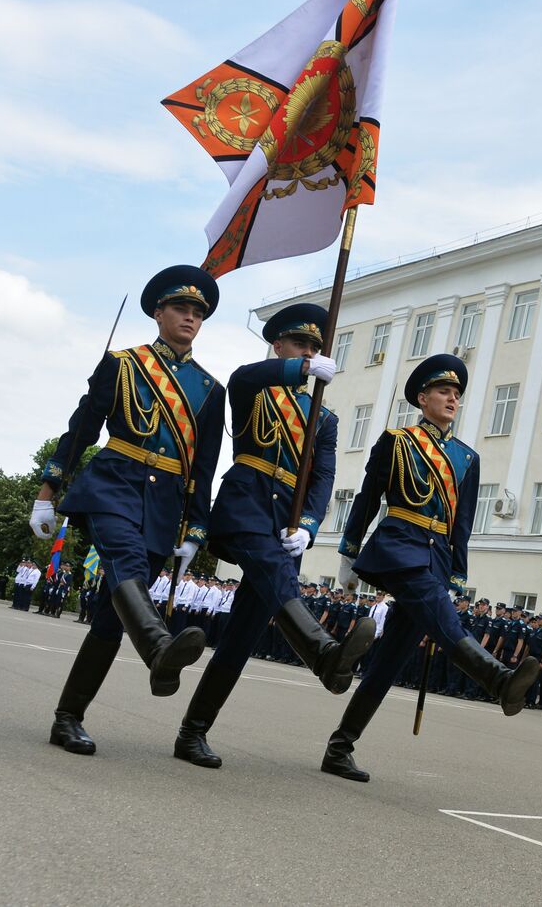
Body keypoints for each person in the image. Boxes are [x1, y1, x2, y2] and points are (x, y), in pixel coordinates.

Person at [171, 303, 375, 768]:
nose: (308, 353)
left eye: (314, 348)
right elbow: (243, 377)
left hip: (286, 524)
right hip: (246, 506)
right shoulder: (254, 390)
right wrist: (299, 368)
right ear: (278, 346)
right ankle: (323, 653)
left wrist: (308, 526)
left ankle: (193, 732)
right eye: (300, 345)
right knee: (266, 567)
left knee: (242, 637)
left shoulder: (323, 417)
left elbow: (323, 479)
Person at [33, 266, 224, 756]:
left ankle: (67, 718)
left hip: (164, 504)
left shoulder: (209, 388)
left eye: (198, 312)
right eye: (181, 308)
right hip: (113, 482)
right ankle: (160, 647)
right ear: (158, 313)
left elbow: (204, 464)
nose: (190, 317)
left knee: (111, 619)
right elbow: (82, 428)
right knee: (126, 563)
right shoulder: (123, 364)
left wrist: (195, 527)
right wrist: (48, 487)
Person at [322, 354, 539, 782]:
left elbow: (463, 522)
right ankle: (497, 679)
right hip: (400, 545)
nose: (452, 399)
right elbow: (368, 498)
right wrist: (348, 550)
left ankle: (339, 747)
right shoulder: (397, 441)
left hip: (436, 556)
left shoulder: (466, 458)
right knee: (433, 607)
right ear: (422, 399)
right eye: (444, 392)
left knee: (390, 660)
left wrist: (457, 573)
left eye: (457, 394)